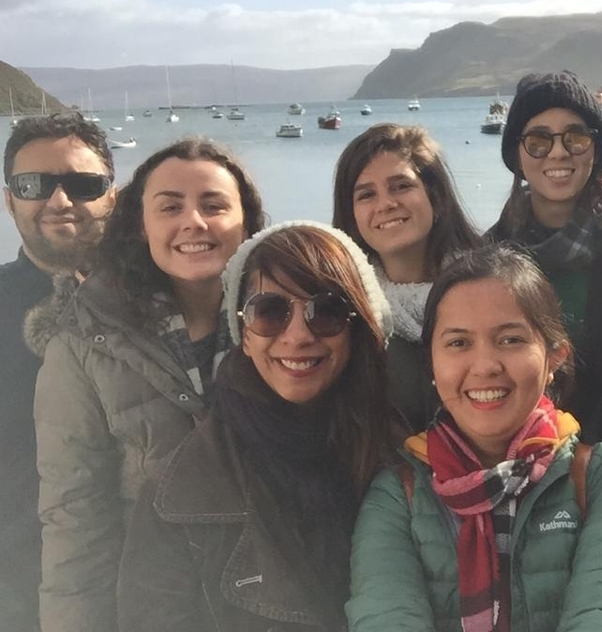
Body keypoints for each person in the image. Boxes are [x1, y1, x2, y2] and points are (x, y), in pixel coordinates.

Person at [347, 245, 602, 632]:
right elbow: (384, 615)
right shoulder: (399, 492)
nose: (485, 366)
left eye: (510, 340)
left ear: (554, 357)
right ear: (431, 363)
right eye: (458, 343)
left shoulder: (601, 476)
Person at [27, 138, 265, 632]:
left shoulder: (292, 322)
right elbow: (75, 520)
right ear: (141, 224)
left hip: (280, 604)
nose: (193, 222)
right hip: (154, 608)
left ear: (247, 220)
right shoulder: (86, 342)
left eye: (214, 205)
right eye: (170, 206)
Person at [118, 221, 398, 631]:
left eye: (328, 311)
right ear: (244, 335)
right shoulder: (179, 493)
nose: (298, 336)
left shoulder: (404, 460)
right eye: (270, 312)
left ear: (357, 328)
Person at [487, 70, 602, 456]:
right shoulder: (492, 257)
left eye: (575, 138)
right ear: (518, 156)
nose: (558, 153)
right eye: (538, 140)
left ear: (596, 149)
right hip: (532, 460)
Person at [0, 112, 117, 632]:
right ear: (9, 200)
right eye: (34, 185)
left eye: (83, 183)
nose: (60, 200)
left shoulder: (172, 299)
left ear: (113, 195)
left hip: (161, 580)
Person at [333, 123, 481, 431]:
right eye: (366, 195)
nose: (385, 204)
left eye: (401, 186)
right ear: (352, 215)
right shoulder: (342, 315)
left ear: (436, 198)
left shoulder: (491, 289)